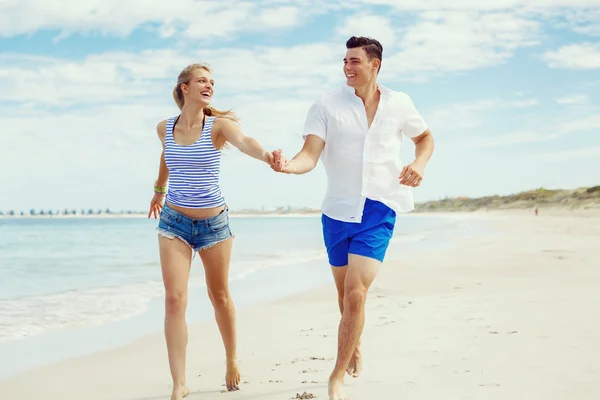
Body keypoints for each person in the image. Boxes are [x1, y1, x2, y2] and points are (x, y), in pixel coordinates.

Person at [271, 36, 435, 400]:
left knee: (356, 295)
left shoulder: (400, 103)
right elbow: (309, 156)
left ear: (375, 64)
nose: (347, 67)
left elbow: (425, 138)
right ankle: (354, 342)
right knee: (344, 295)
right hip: (337, 211)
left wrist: (419, 163)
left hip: (379, 206)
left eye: (355, 61)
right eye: (344, 61)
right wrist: (288, 167)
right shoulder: (326, 105)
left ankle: (336, 376)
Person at [148, 63, 274, 400]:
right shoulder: (165, 127)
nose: (210, 87)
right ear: (184, 88)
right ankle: (179, 383)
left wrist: (267, 156)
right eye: (202, 81)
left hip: (213, 225)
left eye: (212, 82)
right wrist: (159, 191)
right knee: (175, 299)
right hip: (173, 221)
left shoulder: (218, 126)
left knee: (219, 296)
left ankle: (232, 358)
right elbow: (167, 155)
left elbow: (246, 142)